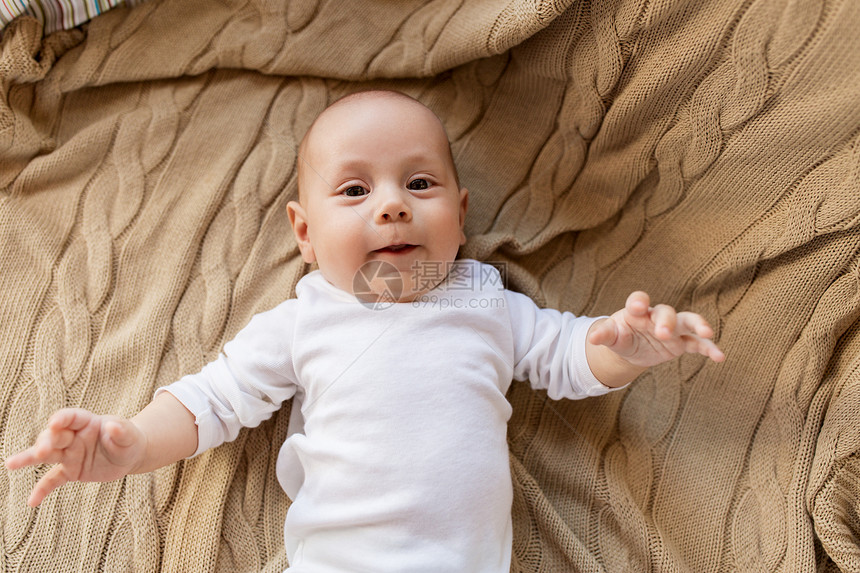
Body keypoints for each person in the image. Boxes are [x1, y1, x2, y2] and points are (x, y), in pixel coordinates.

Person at [6, 90, 725, 572]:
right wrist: (128, 442)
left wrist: (624, 349)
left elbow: (568, 355)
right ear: (305, 232)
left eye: (420, 184)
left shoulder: (486, 300)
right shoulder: (306, 317)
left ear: (462, 213)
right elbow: (211, 401)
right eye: (355, 190)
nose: (391, 206)